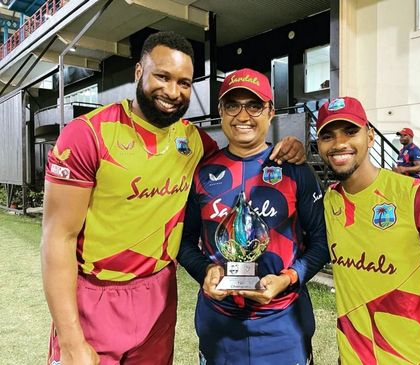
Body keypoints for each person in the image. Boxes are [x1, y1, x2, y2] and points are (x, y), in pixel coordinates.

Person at [41, 32, 305, 365]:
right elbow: (57, 239)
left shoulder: (194, 142)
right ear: (139, 72)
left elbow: (242, 159)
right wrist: (70, 340)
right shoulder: (87, 134)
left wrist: (289, 147)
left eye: (183, 82)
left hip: (159, 295)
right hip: (94, 295)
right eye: (162, 76)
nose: (172, 91)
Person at [177, 68, 330, 365]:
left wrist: (286, 279)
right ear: (221, 111)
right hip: (218, 322)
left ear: (271, 111)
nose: (243, 115)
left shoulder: (294, 168)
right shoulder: (202, 171)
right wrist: (204, 272)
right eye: (232, 105)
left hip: (284, 325)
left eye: (254, 105)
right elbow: (184, 242)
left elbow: (321, 243)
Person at [316, 96, 420, 364]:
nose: (339, 143)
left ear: (370, 136)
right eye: (328, 136)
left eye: (350, 131)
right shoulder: (329, 201)